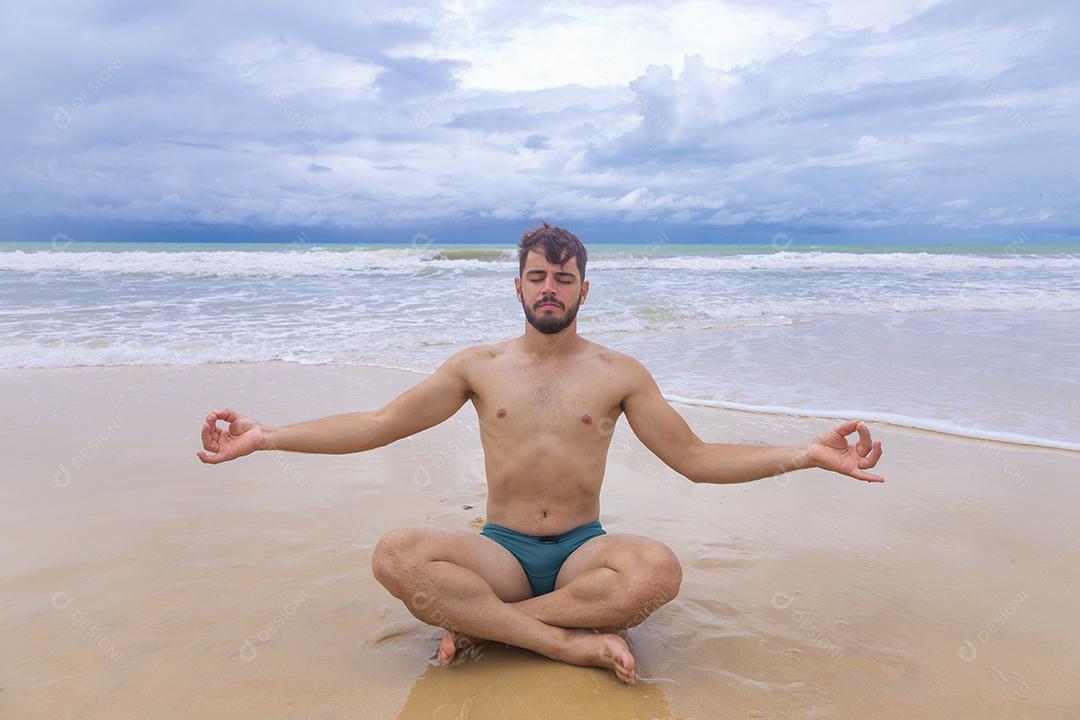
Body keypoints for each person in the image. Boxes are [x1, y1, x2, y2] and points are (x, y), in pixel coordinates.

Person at [196, 222, 885, 684]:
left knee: (654, 571)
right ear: (518, 285)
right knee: (396, 555)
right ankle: (561, 641)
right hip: (500, 552)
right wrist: (269, 436)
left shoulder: (619, 372)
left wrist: (805, 454)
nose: (549, 289)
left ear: (584, 288)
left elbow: (697, 460)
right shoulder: (479, 366)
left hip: (583, 550)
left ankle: (489, 630)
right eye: (537, 277)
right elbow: (379, 424)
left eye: (563, 279)